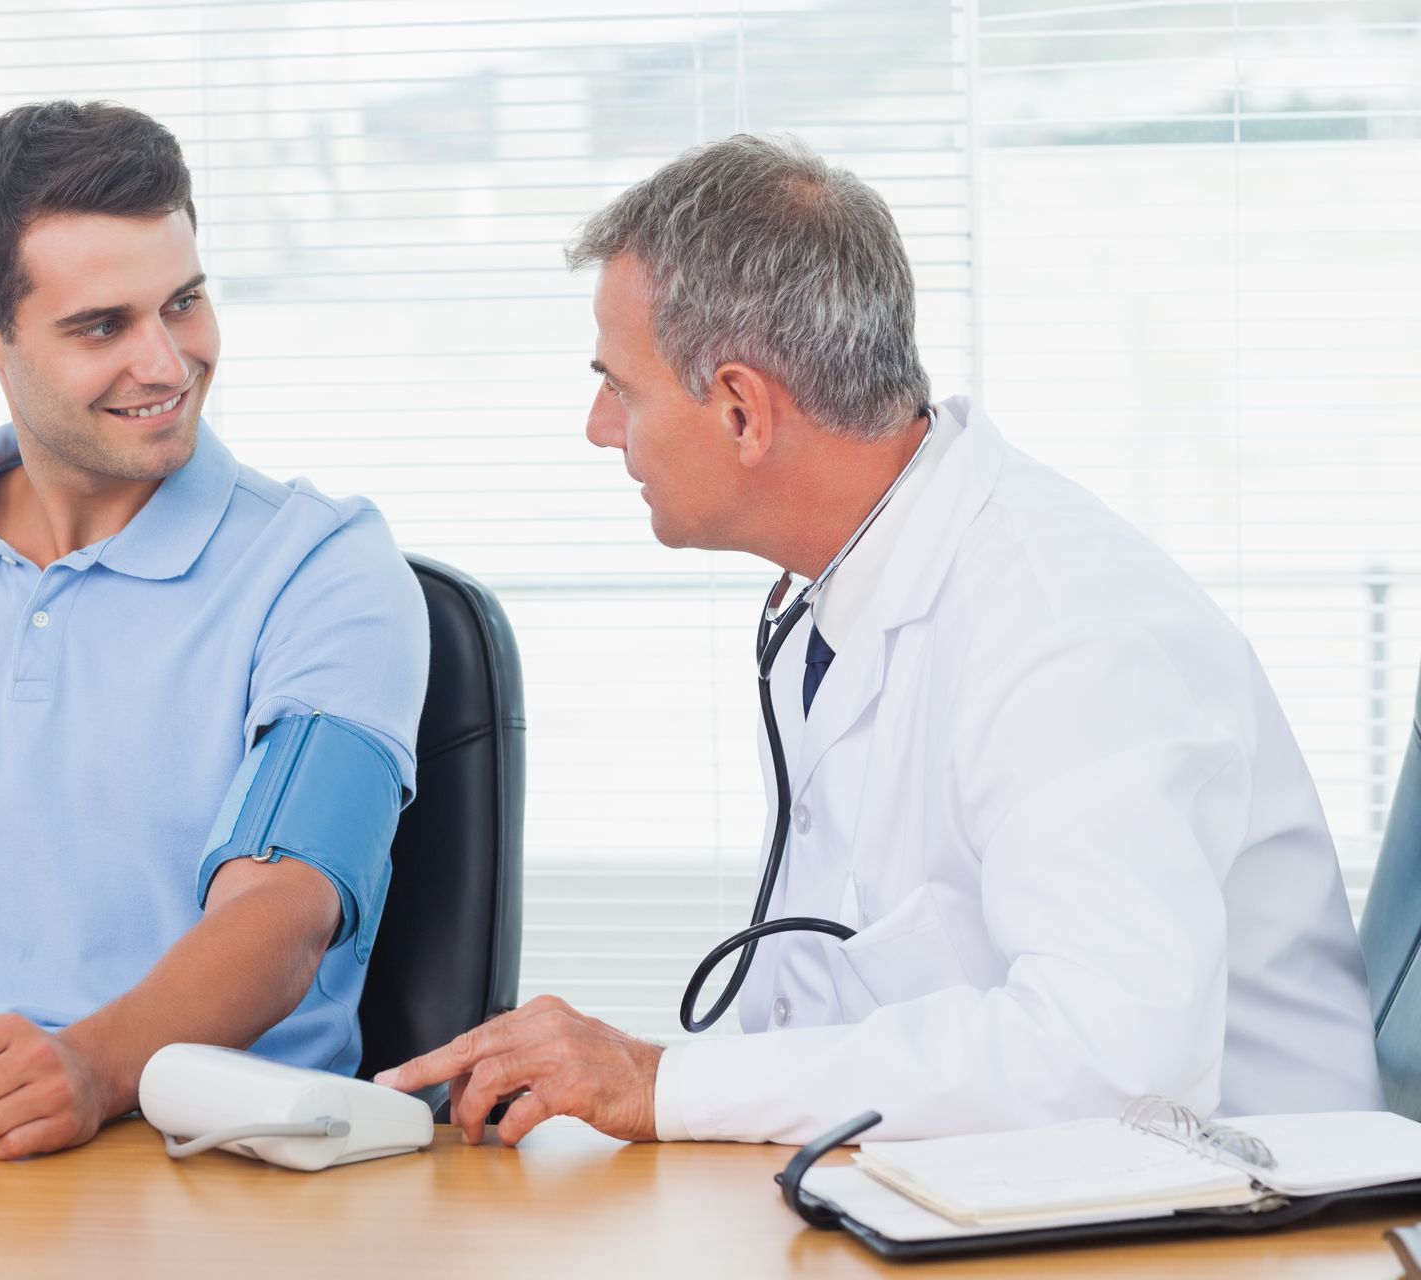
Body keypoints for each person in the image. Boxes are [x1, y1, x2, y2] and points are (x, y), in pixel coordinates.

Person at [377, 134, 1383, 1147]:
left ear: (740, 410)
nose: (600, 428)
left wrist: (667, 1083)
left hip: (1250, 1225)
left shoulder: (1066, 627)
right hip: (994, 1202)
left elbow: (1112, 1063)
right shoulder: (851, 598)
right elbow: (836, 1027)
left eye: (621, 389)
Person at [0, 101, 428, 1160]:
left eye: (185, 302)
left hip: (206, 1157)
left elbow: (285, 909)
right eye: (101, 325)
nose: (166, 363)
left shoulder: (325, 565)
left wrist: (86, 1070)